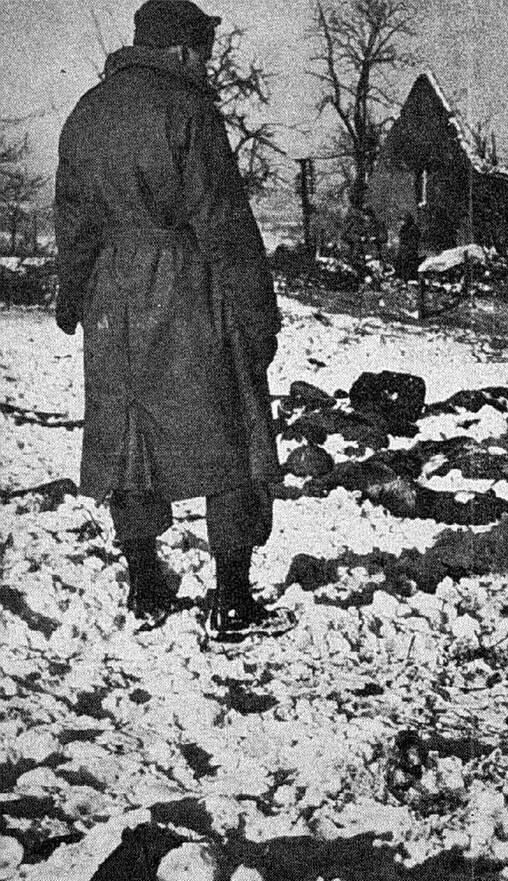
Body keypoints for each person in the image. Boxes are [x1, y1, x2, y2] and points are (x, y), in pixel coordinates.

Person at [54, 0, 285, 640]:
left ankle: (144, 582)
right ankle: (233, 598)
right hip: (188, 284)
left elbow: (72, 221)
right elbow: (225, 222)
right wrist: (258, 315)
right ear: (183, 50)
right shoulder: (190, 110)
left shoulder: (86, 113)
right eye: (204, 54)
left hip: (111, 294)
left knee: (129, 434)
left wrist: (72, 298)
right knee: (231, 428)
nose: (208, 66)